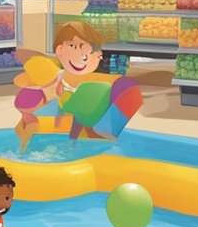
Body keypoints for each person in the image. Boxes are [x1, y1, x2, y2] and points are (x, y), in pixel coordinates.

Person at [13, 20, 143, 149]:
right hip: (61, 133)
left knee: (125, 87)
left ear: (98, 55)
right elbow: (26, 101)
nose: (82, 57)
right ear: (60, 50)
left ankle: (100, 133)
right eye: (75, 47)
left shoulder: (89, 84)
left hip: (77, 134)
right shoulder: (51, 78)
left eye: (89, 52)